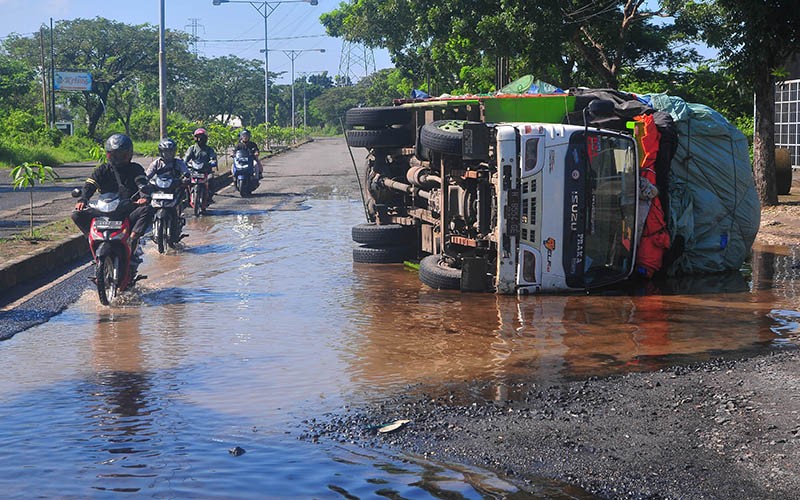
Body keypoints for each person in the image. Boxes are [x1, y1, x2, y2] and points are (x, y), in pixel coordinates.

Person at [72, 133, 153, 264]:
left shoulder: (135, 169)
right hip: (104, 211)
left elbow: (141, 183)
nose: (118, 158)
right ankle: (91, 237)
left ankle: (133, 240)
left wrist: (144, 197)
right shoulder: (102, 170)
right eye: (114, 155)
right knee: (76, 214)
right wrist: (83, 199)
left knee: (148, 210)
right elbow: (90, 185)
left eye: (122, 155)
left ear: (129, 154)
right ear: (108, 155)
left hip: (127, 210)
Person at [183, 128, 218, 203]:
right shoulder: (192, 148)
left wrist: (212, 162)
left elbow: (213, 158)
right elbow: (186, 158)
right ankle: (187, 197)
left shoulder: (209, 149)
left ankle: (210, 197)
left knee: (211, 179)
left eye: (202, 137)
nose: (200, 139)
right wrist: (184, 163)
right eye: (198, 137)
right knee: (185, 180)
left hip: (206, 170)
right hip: (194, 170)